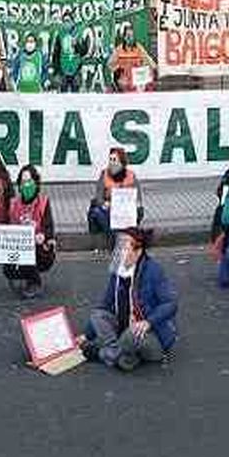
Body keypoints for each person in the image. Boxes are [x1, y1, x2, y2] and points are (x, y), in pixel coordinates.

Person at [80, 227, 176, 372]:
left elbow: (171, 304)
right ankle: (123, 355)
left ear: (138, 251)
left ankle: (101, 353)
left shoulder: (154, 270)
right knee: (97, 315)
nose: (120, 252)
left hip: (151, 336)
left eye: (125, 248)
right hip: (123, 329)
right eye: (119, 247)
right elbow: (105, 304)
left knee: (130, 335)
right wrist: (86, 335)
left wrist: (148, 322)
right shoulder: (118, 272)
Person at [1, 164, 56, 298]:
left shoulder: (43, 202)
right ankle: (27, 277)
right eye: (23, 182)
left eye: (29, 181)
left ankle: (34, 282)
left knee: (32, 253)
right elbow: (5, 226)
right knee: (8, 269)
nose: (26, 185)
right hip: (18, 249)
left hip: (40, 250)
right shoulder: (13, 203)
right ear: (19, 185)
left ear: (36, 183)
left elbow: (49, 229)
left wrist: (42, 236)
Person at [88, 147, 141, 235]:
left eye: (114, 160)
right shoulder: (104, 174)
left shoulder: (131, 175)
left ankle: (120, 234)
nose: (112, 163)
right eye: (110, 160)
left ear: (122, 162)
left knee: (139, 211)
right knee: (96, 212)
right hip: (109, 209)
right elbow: (98, 196)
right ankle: (114, 235)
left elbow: (138, 198)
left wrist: (135, 205)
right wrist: (104, 204)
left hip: (125, 211)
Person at [109, 25, 154, 90]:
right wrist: (118, 68)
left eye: (131, 36)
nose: (130, 38)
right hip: (124, 82)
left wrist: (146, 67)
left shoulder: (138, 48)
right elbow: (110, 64)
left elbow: (149, 62)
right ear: (124, 37)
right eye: (128, 36)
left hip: (137, 82)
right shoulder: (119, 50)